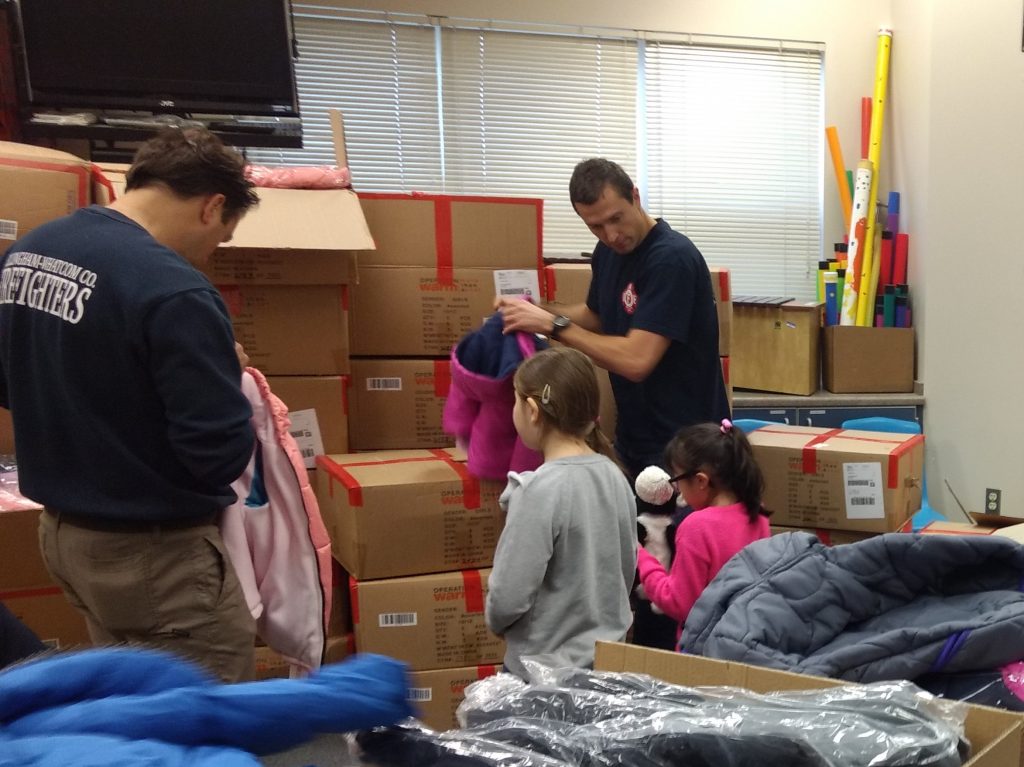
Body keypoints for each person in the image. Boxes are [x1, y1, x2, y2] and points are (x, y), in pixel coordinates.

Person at [0, 127, 259, 681]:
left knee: (135, 703)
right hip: (152, 556)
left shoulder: (31, 251)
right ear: (213, 207)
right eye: (222, 238)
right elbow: (215, 453)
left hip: (65, 535)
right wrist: (224, 372)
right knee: (206, 717)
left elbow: (9, 383)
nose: (211, 256)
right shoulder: (173, 289)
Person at [497, 157, 729, 481]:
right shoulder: (607, 253)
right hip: (636, 440)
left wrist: (553, 327)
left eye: (616, 218)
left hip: (687, 450)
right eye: (596, 226)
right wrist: (533, 311)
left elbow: (637, 360)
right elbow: (596, 315)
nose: (611, 235)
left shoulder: (671, 259)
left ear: (635, 196)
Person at [485, 346, 637, 679]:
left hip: (541, 679)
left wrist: (496, 619)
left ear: (532, 410)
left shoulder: (539, 491)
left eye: (514, 400)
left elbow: (507, 599)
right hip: (605, 670)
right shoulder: (615, 476)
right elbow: (624, 573)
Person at [636, 419, 771, 645]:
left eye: (677, 480)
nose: (676, 490)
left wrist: (643, 560)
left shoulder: (697, 526)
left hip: (705, 648)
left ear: (700, 481)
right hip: (748, 641)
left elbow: (679, 603)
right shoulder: (758, 513)